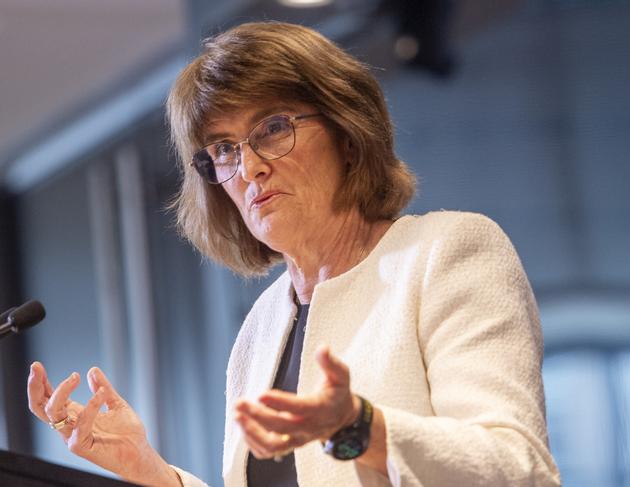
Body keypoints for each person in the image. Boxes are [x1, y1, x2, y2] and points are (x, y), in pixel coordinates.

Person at [27, 21, 561, 487]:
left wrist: (358, 428)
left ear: (347, 134)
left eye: (274, 128)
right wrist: (152, 472)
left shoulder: (447, 253)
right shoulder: (261, 327)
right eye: (224, 149)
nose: (251, 167)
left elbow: (518, 470)